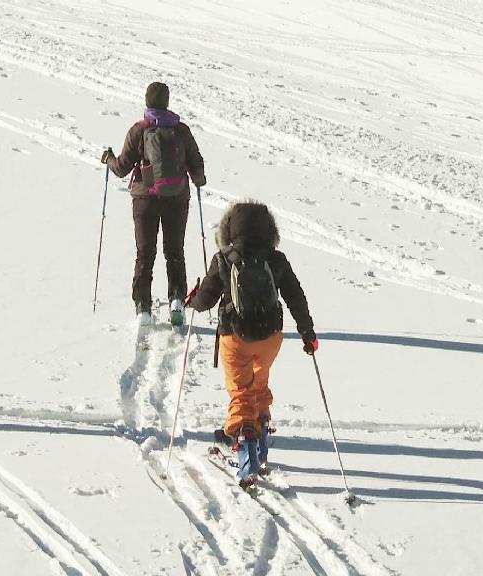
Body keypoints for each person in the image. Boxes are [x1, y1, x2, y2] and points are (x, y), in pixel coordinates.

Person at [186, 200, 317, 489]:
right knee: (259, 381)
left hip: (235, 336)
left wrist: (191, 300)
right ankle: (262, 424)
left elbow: (205, 299)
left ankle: (246, 449)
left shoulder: (224, 259)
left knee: (241, 392)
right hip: (271, 337)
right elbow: (296, 297)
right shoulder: (277, 260)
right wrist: (308, 333)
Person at [101, 81, 206, 326]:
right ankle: (177, 300)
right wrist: (198, 179)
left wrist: (108, 159)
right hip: (177, 199)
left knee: (145, 253)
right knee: (174, 251)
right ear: (167, 103)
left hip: (145, 200)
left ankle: (143, 308)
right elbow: (197, 165)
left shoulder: (139, 130)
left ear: (147, 102)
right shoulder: (181, 130)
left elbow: (121, 168)